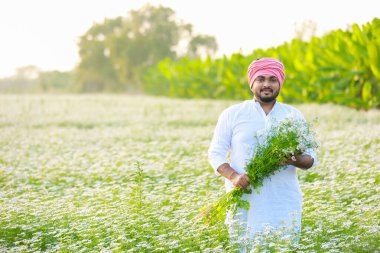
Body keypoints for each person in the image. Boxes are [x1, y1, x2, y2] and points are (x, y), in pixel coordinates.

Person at [208, 58, 318, 244]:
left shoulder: (293, 115)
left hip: (283, 201)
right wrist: (234, 176)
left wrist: (292, 158)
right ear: (252, 82)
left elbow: (311, 159)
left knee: (284, 246)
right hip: (245, 202)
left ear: (279, 83)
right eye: (260, 79)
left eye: (273, 79)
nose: (267, 84)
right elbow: (215, 153)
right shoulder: (233, 114)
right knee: (244, 245)